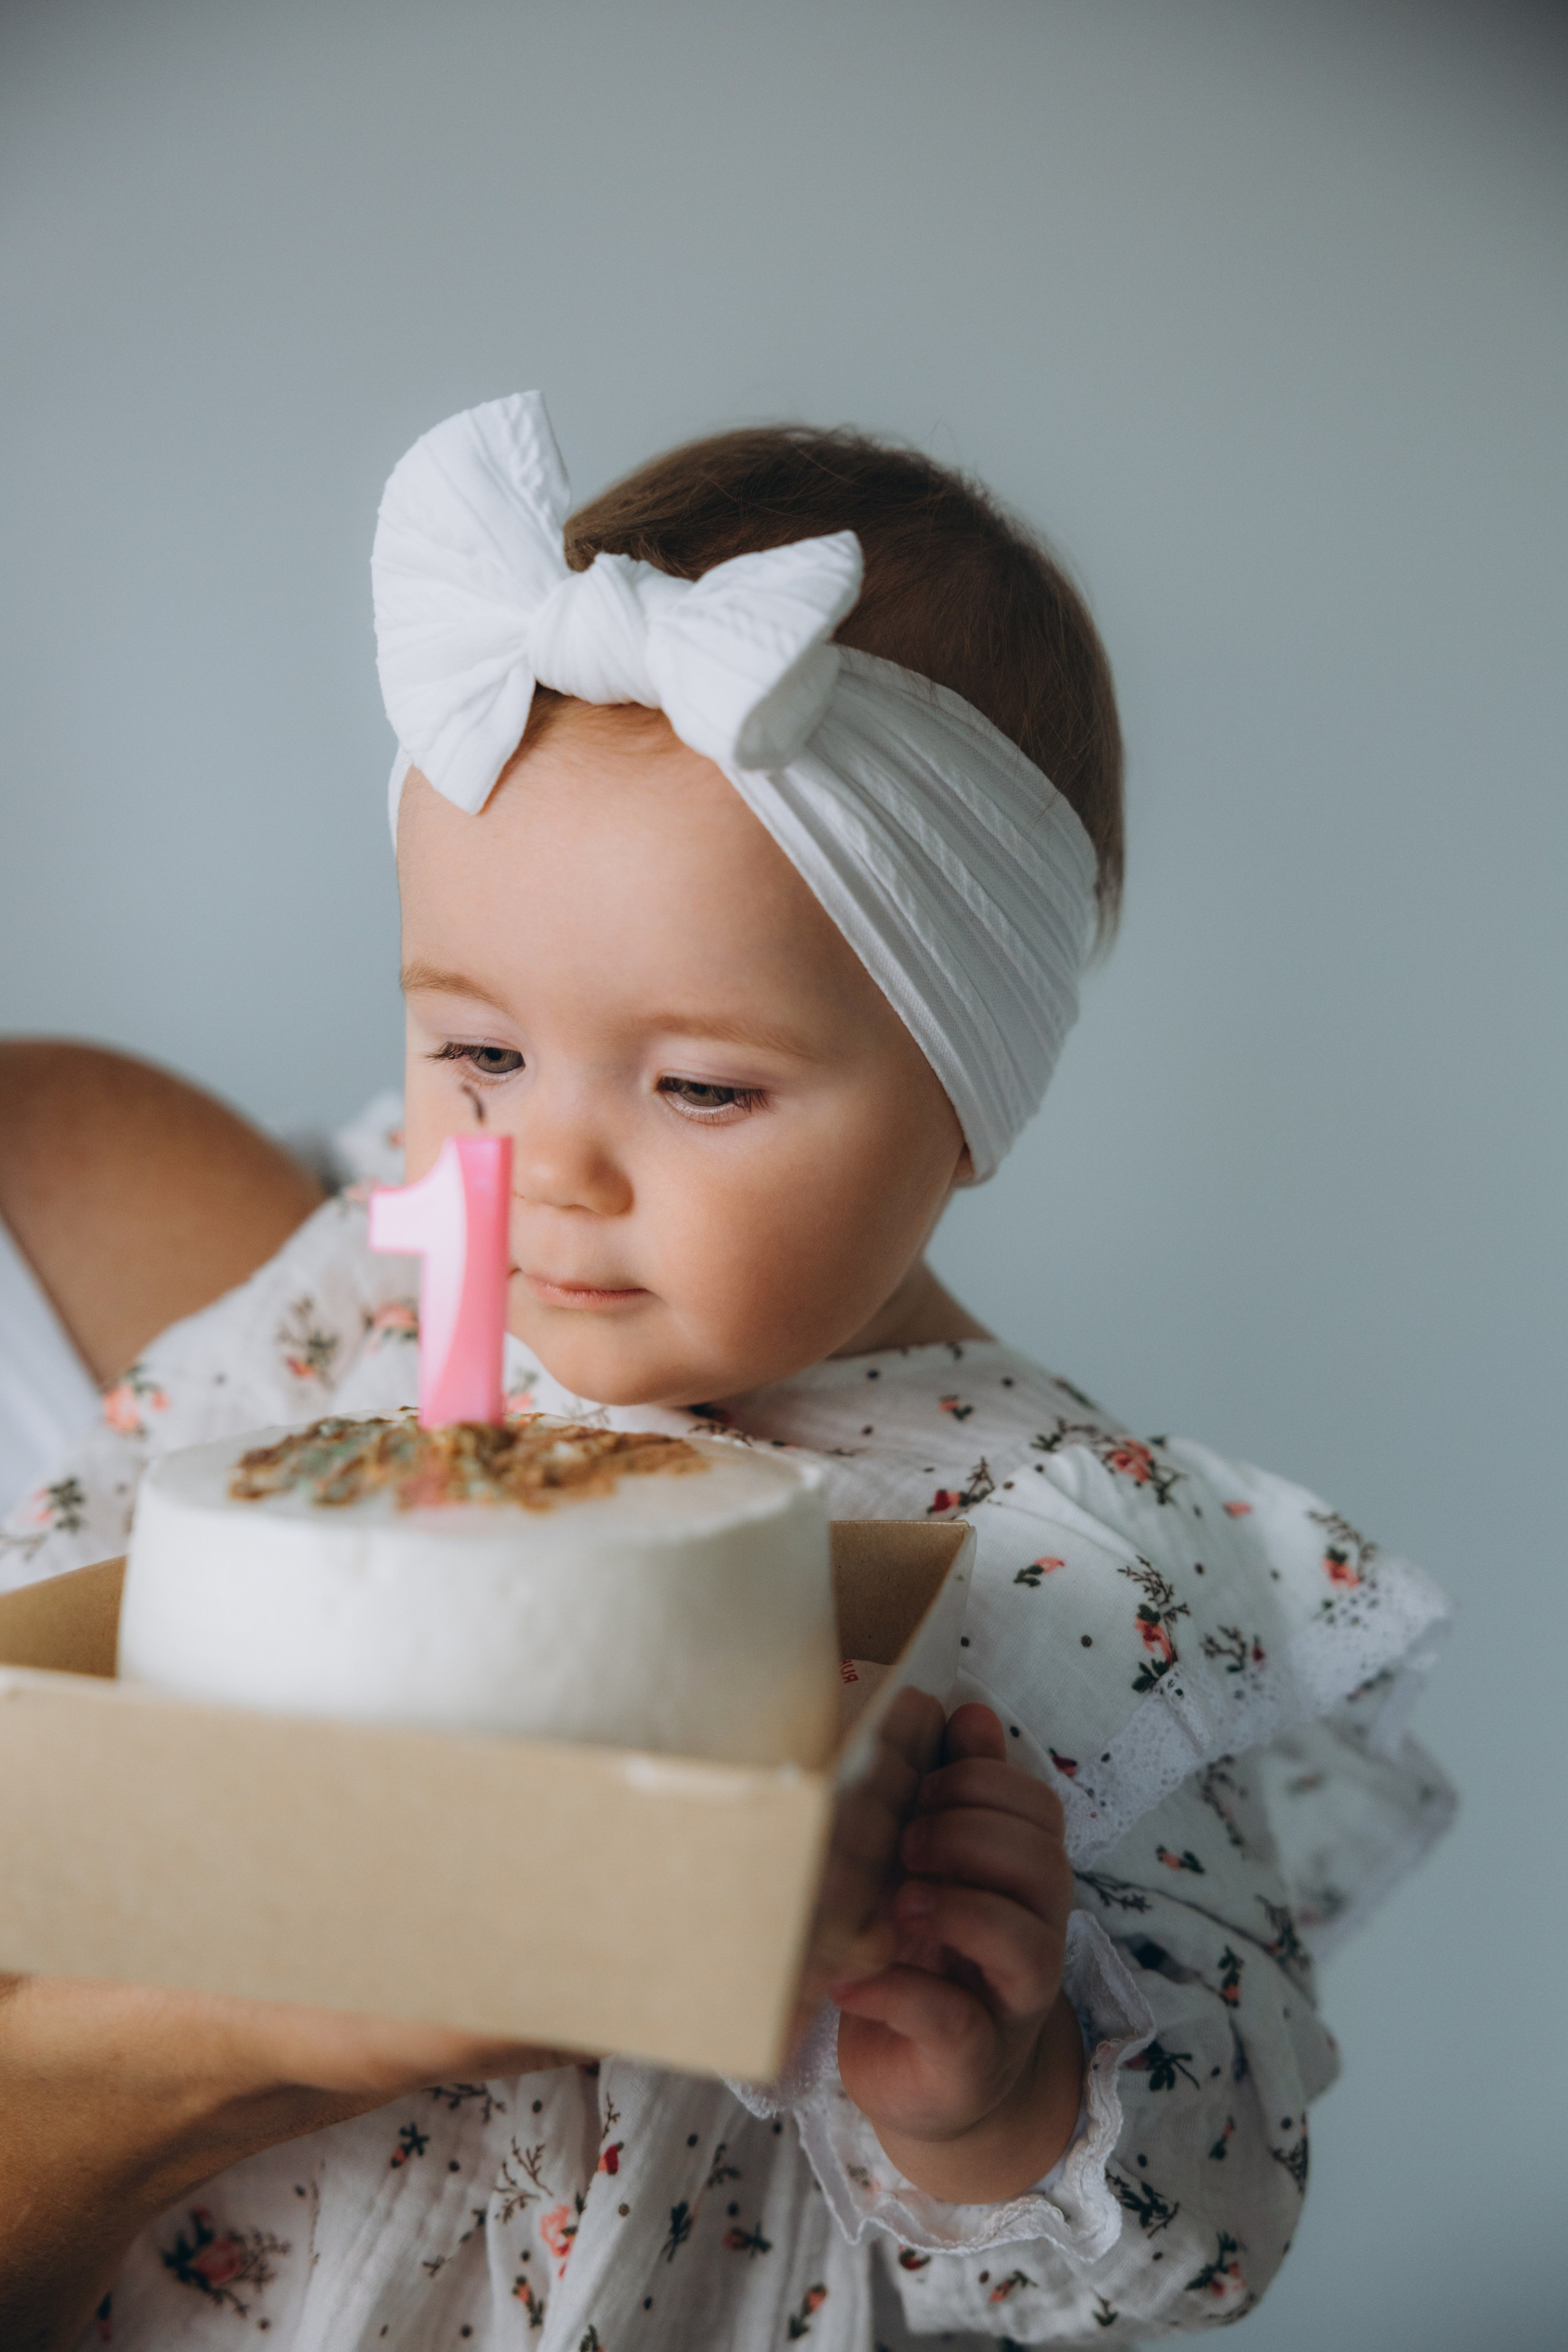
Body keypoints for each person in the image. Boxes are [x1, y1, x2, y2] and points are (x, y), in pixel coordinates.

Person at [0, 396, 1454, 2348]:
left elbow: (1210, 2223)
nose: (553, 1174)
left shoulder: (1071, 1562)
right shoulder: (345, 1312)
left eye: (699, 1087)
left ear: (963, 1102)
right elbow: (60, 1608)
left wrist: (996, 2098)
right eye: (480, 1057)